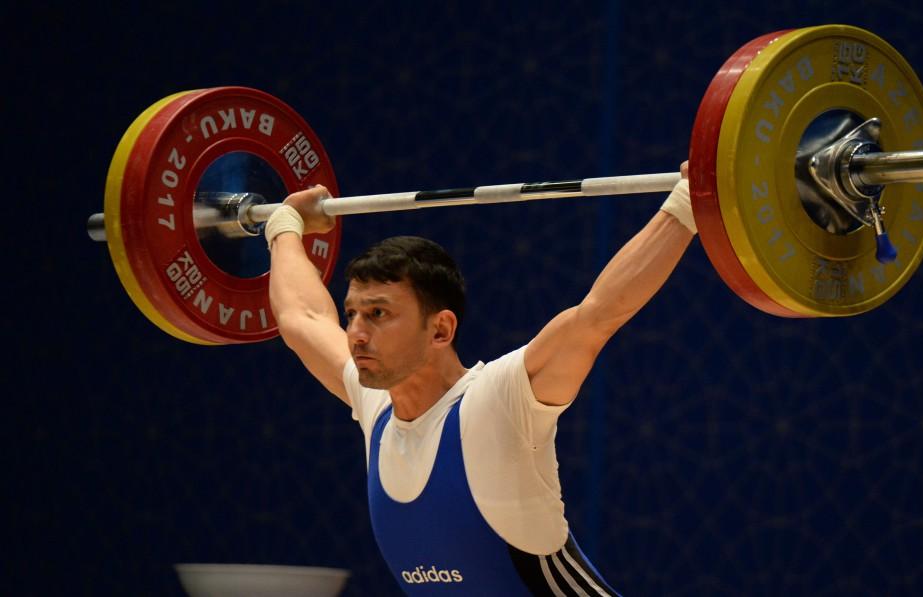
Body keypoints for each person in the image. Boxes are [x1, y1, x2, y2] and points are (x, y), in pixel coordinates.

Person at [265, 162, 695, 596]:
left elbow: (598, 315)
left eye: (378, 313)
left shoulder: (499, 400)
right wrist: (285, 224)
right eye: (352, 314)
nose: (356, 333)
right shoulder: (374, 402)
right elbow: (302, 318)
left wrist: (689, 203)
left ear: (441, 330)